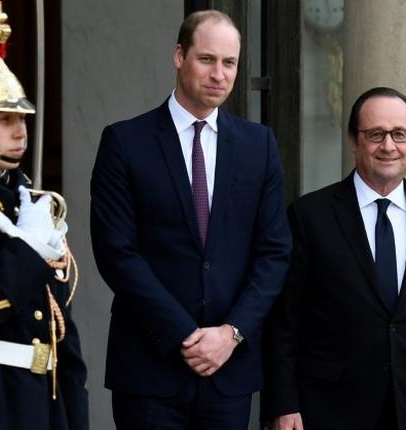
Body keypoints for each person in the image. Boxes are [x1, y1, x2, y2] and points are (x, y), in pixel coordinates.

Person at [90, 9, 292, 429]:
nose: (219, 73)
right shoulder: (125, 142)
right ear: (179, 56)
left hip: (228, 370)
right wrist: (186, 334)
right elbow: (116, 253)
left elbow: (274, 252)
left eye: (230, 62)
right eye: (207, 59)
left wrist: (231, 333)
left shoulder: (260, 145)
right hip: (149, 367)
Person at [261, 87, 406, 430]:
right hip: (324, 409)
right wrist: (283, 403)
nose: (388, 146)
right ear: (353, 140)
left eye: (400, 134)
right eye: (375, 134)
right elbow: (284, 321)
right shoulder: (309, 216)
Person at [0, 5, 89, 429]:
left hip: (42, 404)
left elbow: (62, 337)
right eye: (3, 120)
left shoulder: (32, 203)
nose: (20, 130)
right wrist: (25, 252)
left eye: (21, 118)